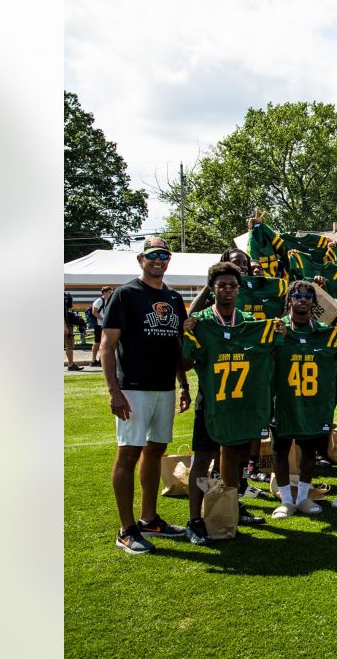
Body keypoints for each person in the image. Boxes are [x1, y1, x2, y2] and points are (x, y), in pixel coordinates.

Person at [99, 237, 191, 553]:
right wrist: (114, 391)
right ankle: (126, 529)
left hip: (164, 387)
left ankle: (149, 518)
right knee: (128, 452)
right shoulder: (125, 295)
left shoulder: (175, 298)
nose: (158, 260)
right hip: (133, 389)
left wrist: (184, 384)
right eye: (153, 255)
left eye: (164, 255)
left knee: (156, 450)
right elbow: (106, 347)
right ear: (141, 259)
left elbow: (176, 346)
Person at [180, 261, 270, 544]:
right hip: (212, 402)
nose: (228, 290)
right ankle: (195, 519)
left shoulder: (248, 323)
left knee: (232, 458)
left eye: (233, 285)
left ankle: (228, 512)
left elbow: (271, 345)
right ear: (212, 289)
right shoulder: (202, 322)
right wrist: (187, 332)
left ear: (239, 289)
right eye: (222, 286)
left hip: (238, 403)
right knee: (203, 458)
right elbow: (184, 361)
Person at [269, 281, 337, 519]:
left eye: (307, 296)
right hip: (283, 401)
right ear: (289, 300)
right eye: (297, 295)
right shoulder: (277, 329)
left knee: (309, 450)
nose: (302, 299)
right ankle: (285, 499)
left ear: (314, 301)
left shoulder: (325, 333)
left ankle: (302, 497)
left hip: (312, 402)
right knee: (280, 450)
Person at [89, 286, 113, 367]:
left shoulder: (109, 301)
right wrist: (102, 319)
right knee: (97, 343)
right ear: (104, 292)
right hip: (99, 325)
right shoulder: (99, 301)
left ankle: (100, 359)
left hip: (106, 325)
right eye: (110, 292)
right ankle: (93, 360)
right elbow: (94, 312)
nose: (111, 293)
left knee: (104, 343)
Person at [65, 292, 84, 371]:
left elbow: (69, 308)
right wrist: (65, 326)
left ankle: (71, 364)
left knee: (69, 346)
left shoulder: (65, 296)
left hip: (67, 323)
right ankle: (70, 364)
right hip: (66, 325)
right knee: (69, 346)